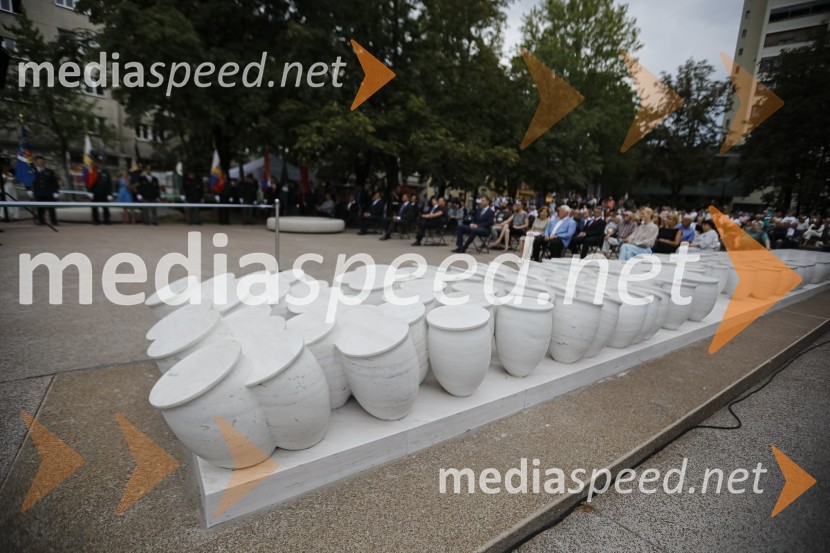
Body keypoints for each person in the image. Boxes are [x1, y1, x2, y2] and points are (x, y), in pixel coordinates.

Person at [31, 156, 59, 226]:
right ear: (36, 162)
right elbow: (28, 181)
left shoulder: (50, 171)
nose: (41, 163)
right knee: (40, 208)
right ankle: (41, 220)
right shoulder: (32, 171)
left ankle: (53, 221)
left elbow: (54, 182)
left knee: (51, 208)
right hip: (38, 192)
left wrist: (56, 191)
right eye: (39, 161)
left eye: (42, 161)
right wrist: (29, 189)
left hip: (49, 192)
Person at [89, 161, 113, 225]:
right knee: (94, 207)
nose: (98, 164)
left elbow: (109, 183)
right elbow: (88, 182)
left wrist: (110, 193)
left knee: (106, 207)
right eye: (97, 162)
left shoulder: (106, 172)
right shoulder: (92, 171)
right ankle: (96, 220)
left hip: (104, 193)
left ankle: (107, 220)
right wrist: (89, 191)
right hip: (95, 192)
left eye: (99, 163)